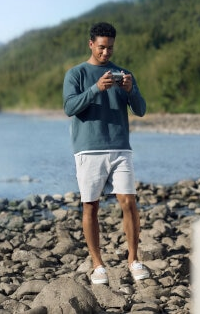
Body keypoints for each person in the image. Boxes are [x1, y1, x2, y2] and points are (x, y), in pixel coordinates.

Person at [62, 21, 151, 285]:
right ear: (91, 44)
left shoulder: (124, 73)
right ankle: (98, 264)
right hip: (88, 150)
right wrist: (95, 89)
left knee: (129, 202)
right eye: (101, 47)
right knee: (91, 205)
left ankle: (134, 260)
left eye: (110, 48)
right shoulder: (76, 74)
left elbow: (141, 109)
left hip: (121, 147)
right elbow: (69, 107)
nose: (106, 53)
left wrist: (130, 90)